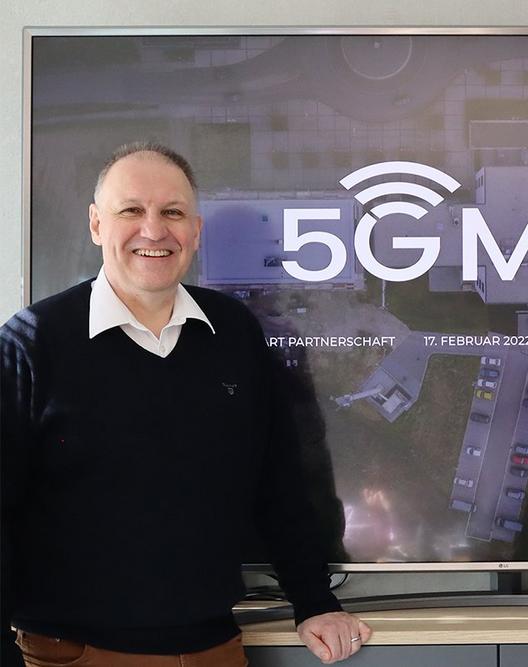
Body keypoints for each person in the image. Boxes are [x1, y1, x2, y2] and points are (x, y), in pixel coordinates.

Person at [1, 142, 371, 666]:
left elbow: (280, 481)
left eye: (172, 212)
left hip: (215, 648)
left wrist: (315, 601)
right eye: (131, 210)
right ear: (96, 224)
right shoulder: (31, 341)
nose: (153, 230)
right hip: (76, 653)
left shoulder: (235, 333)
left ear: (195, 231)